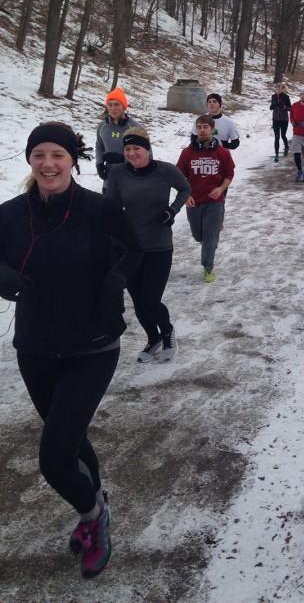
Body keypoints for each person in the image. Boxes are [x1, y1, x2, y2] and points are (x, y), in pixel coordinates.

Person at [0, 122, 140, 580]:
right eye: (38, 154)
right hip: (36, 346)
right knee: (72, 438)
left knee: (55, 456)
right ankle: (95, 503)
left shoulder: (100, 210)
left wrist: (113, 285)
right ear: (29, 161)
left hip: (92, 346)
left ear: (73, 160)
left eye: (57, 155)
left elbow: (133, 253)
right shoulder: (10, 214)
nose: (48, 164)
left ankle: (93, 517)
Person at [106, 127, 190, 363]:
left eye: (137, 148)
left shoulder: (165, 170)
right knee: (137, 301)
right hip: (131, 248)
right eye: (127, 149)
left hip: (159, 245)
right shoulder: (118, 174)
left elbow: (185, 188)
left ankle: (167, 332)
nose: (132, 153)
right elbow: (111, 208)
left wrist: (172, 210)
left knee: (150, 300)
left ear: (147, 149)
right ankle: (153, 338)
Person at [177, 115, 235, 283]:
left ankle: (208, 267)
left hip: (215, 202)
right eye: (199, 127)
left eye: (205, 127)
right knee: (198, 236)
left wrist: (221, 189)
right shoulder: (187, 153)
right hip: (194, 201)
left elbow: (229, 174)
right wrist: (185, 196)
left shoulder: (222, 152)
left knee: (209, 236)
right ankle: (213, 232)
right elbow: (178, 176)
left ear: (212, 129)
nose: (202, 130)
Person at [95, 87, 141, 190]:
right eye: (110, 105)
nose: (113, 108)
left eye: (116, 104)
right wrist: (99, 164)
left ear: (124, 107)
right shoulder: (102, 126)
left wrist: (123, 159)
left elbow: (146, 154)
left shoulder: (134, 128)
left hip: (131, 179)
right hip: (109, 179)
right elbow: (99, 146)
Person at [269, 82, 292, 161]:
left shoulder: (286, 97)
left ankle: (286, 147)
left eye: (279, 88)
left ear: (282, 89)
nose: (278, 90)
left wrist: (283, 107)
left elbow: (290, 108)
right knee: (277, 137)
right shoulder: (273, 96)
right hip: (275, 119)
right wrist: (272, 106)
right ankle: (276, 155)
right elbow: (272, 106)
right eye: (276, 88)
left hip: (284, 119)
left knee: (283, 135)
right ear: (275, 89)